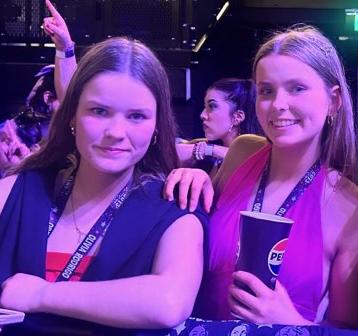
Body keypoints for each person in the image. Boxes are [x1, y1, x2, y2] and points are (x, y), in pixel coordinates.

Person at [166, 25, 358, 328]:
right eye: (267, 91)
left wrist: (288, 323)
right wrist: (195, 180)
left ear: (333, 101)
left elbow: (345, 329)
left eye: (297, 88)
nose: (278, 104)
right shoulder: (240, 152)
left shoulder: (356, 211)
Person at [0, 37, 205, 334]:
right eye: (99, 111)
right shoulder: (18, 192)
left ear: (157, 126)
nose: (116, 133)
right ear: (72, 115)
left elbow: (170, 302)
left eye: (136, 116)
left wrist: (41, 295)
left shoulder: (174, 213)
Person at [177, 78, 262, 178]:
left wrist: (209, 150)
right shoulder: (204, 147)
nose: (203, 115)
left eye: (212, 106)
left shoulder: (260, 156)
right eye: (205, 106)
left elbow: (248, 161)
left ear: (237, 117)